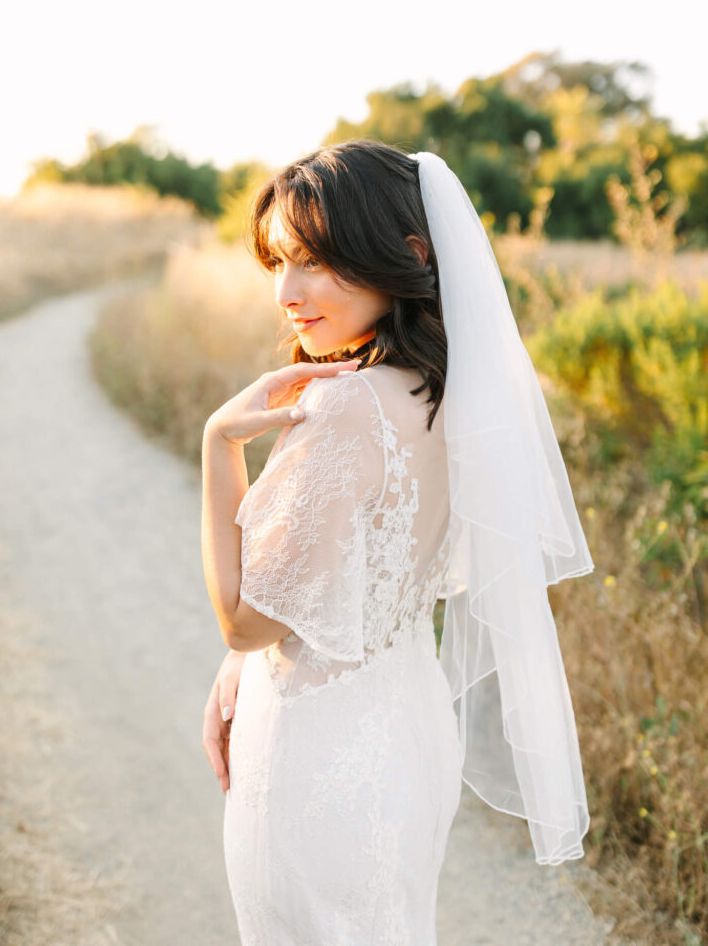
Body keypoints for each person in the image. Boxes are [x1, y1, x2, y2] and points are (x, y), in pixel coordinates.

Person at [201, 139, 592, 944]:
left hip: (316, 753)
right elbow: (344, 576)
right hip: (409, 733)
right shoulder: (460, 399)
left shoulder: (346, 408)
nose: (287, 292)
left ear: (406, 255)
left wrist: (218, 445)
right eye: (279, 262)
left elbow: (245, 618)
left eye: (313, 261)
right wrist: (239, 664)